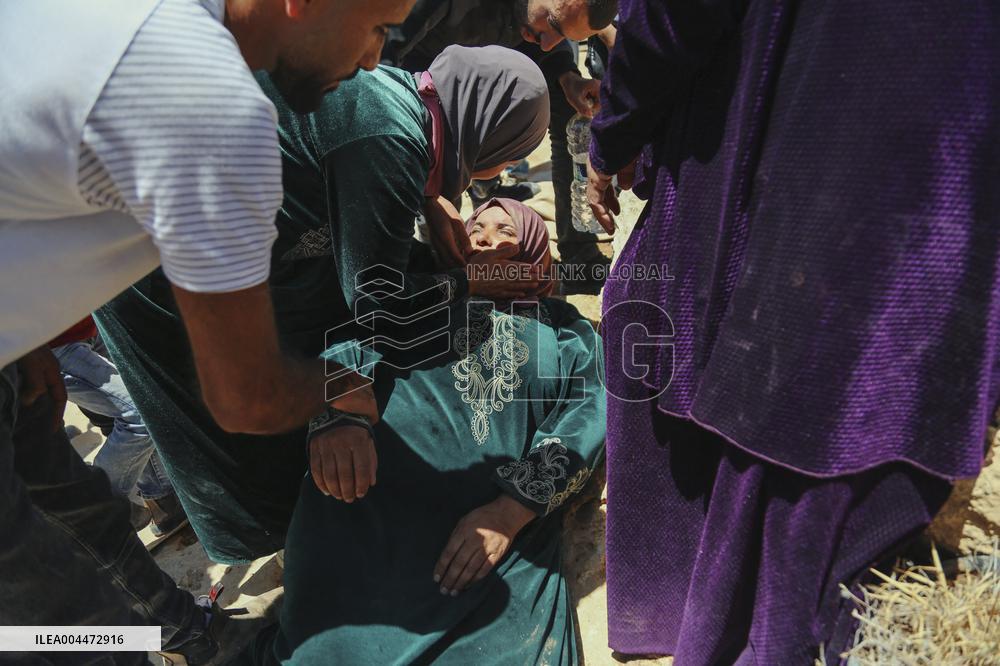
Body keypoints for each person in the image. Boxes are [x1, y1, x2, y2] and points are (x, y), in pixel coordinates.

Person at [0, 0, 414, 662]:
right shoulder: (206, 100)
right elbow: (248, 396)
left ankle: (187, 633)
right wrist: (350, 383)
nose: (375, 56)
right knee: (61, 627)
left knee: (84, 520)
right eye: (378, 27)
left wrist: (20, 343)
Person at [586, 0, 1000, 663]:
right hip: (945, 206)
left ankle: (696, 621)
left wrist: (612, 133)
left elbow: (672, 18)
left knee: (791, 414)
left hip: (819, 169)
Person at [95, 45, 552, 563]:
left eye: (508, 231)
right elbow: (379, 308)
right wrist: (467, 282)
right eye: (511, 155)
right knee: (242, 429)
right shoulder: (389, 135)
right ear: (487, 128)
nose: (496, 175)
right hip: (161, 271)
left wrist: (426, 199)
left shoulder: (400, 98)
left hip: (198, 239)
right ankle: (277, 555)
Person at [242, 198, 606, 665]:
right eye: (476, 232)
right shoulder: (423, 297)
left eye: (505, 232)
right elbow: (353, 338)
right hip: (370, 486)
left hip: (478, 511)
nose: (486, 240)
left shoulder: (564, 330)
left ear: (537, 257)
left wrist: (511, 510)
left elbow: (588, 413)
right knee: (325, 637)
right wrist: (335, 416)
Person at [381, 0, 618, 287]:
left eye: (566, 37)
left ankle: (578, 248)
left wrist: (567, 76)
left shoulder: (536, 21)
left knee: (564, 105)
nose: (548, 44)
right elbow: (380, 61)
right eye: (554, 27)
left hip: (468, 99)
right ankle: (434, 256)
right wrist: (429, 192)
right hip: (412, 91)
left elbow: (545, 46)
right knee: (429, 234)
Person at [50, 319, 186, 536]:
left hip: (86, 321)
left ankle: (163, 500)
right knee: (140, 412)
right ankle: (96, 504)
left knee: (125, 407)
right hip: (49, 345)